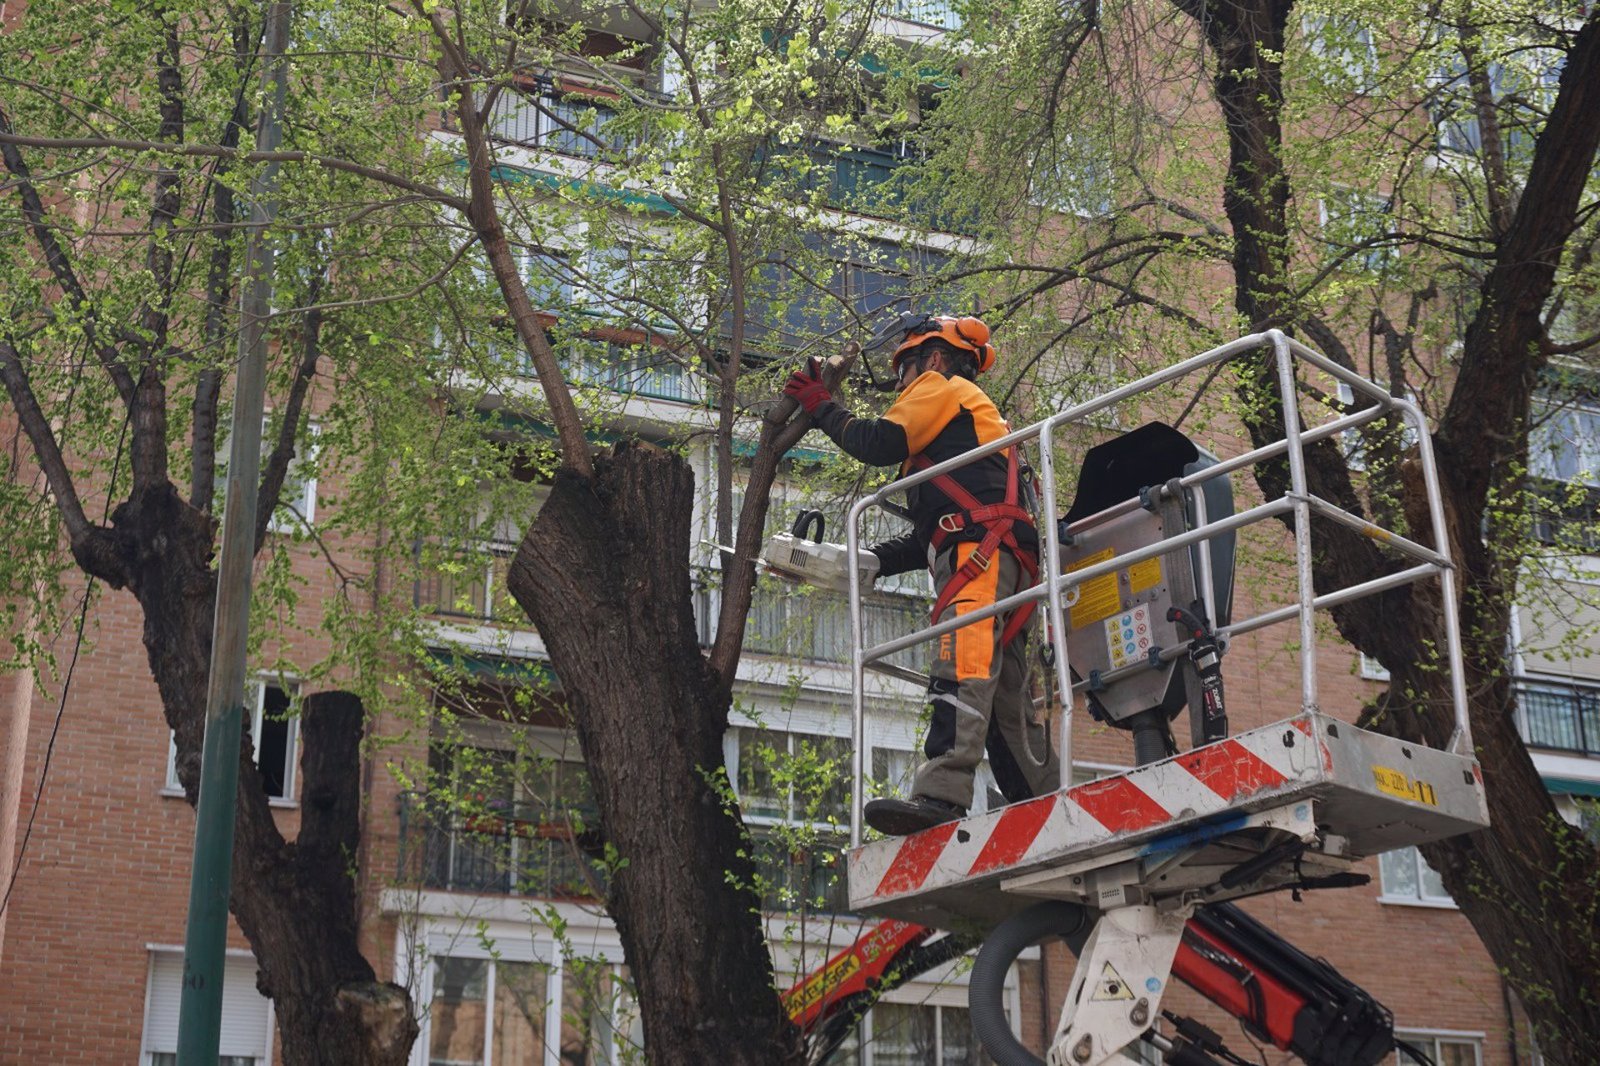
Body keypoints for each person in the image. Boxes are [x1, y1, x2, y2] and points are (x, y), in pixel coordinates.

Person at [782, 315, 1059, 835]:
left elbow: (878, 441)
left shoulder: (942, 387)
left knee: (962, 668)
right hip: (1002, 562)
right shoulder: (969, 434)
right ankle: (1046, 808)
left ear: (931, 359)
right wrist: (870, 562)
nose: (904, 385)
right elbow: (931, 534)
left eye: (905, 370)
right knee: (1005, 703)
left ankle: (941, 798)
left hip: (979, 558)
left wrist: (819, 404)